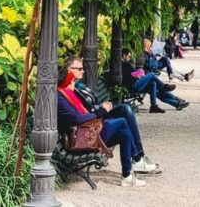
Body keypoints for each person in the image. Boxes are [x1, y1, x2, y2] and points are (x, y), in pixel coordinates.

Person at [56, 56, 157, 187]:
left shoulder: (73, 89)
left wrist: (100, 109)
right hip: (82, 137)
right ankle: (135, 161)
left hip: (88, 129)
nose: (83, 71)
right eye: (80, 69)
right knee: (122, 122)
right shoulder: (61, 95)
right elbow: (76, 119)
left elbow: (85, 110)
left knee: (123, 133)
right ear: (70, 70)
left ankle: (127, 175)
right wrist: (101, 111)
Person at [122, 48, 189, 113]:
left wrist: (139, 72)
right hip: (133, 86)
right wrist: (139, 73)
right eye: (128, 56)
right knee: (151, 74)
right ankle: (163, 87)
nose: (129, 58)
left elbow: (131, 74)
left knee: (153, 84)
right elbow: (131, 75)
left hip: (136, 83)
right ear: (124, 55)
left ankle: (174, 103)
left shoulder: (125, 63)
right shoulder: (122, 64)